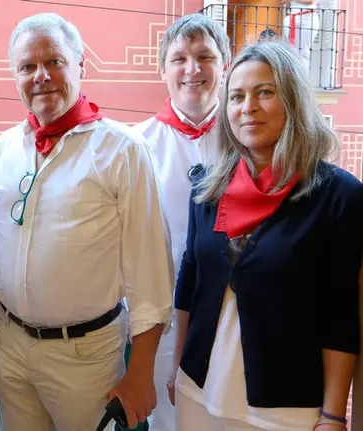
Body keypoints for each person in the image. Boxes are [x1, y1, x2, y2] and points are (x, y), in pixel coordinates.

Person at [0, 12, 174, 431]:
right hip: (10, 349)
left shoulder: (123, 149)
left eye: (54, 62)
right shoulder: (4, 148)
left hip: (85, 358)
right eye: (27, 66)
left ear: (80, 66)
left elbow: (151, 271)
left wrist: (141, 372)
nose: (41, 76)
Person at [173, 41, 363, 431]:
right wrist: (179, 368)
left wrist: (332, 414)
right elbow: (188, 281)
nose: (248, 107)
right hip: (199, 390)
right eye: (237, 96)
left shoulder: (336, 195)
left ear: (292, 99)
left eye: (265, 92)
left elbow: (340, 311)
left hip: (284, 407)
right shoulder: (206, 188)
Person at [131, 13, 231, 431]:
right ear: (163, 71)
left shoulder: (244, 142)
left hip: (231, 320)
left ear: (224, 66)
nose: (193, 69)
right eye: (180, 59)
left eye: (205, 56)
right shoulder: (134, 145)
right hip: (161, 324)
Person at [281, 0, 320, 70]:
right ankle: (292, 77)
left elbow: (311, 1)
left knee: (303, 52)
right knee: (290, 51)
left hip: (307, 17)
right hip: (291, 16)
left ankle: (302, 79)